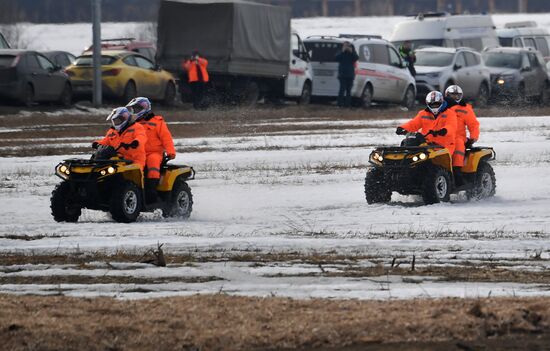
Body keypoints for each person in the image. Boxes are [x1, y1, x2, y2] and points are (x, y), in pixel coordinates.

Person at [126, 97, 176, 203]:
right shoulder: (131, 124)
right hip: (136, 154)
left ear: (145, 108)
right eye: (134, 109)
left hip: (154, 153)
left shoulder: (157, 121)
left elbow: (166, 138)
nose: (135, 112)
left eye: (137, 109)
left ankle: (151, 189)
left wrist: (171, 152)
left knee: (152, 162)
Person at [396, 91, 457, 156]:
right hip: (426, 145)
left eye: (436, 104)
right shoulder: (423, 113)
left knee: (436, 160)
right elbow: (413, 124)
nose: (434, 106)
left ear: (441, 102)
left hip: (444, 146)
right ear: (428, 104)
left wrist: (444, 131)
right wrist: (403, 128)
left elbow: (451, 126)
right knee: (408, 145)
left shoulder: (450, 114)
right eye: (432, 104)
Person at [444, 85, 480, 175]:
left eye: (458, 95)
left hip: (458, 137)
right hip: (440, 136)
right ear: (447, 95)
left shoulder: (465, 109)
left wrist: (473, 138)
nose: (455, 97)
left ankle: (457, 169)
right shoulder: (439, 107)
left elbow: (473, 125)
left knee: (458, 145)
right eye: (453, 95)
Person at [335, 41, 359, 108]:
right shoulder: (340, 51)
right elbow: (336, 58)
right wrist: (342, 51)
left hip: (350, 74)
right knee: (342, 90)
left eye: (348, 45)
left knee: (349, 90)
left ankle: (347, 105)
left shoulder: (352, 51)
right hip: (342, 74)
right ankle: (340, 104)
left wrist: (351, 52)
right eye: (345, 45)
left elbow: (356, 58)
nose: (347, 47)